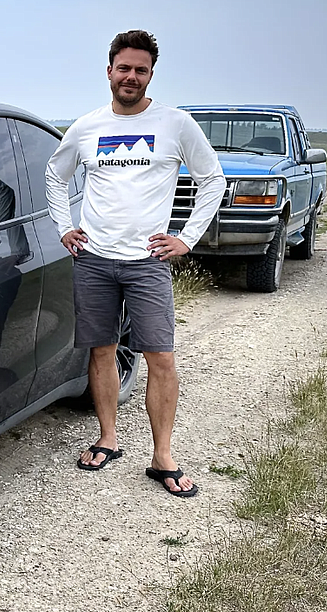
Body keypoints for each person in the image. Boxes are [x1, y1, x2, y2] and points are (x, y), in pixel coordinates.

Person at [44, 29, 225, 498]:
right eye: (123, 68)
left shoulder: (176, 124)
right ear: (109, 71)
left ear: (150, 75)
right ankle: (108, 438)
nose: (131, 77)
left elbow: (212, 179)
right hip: (94, 259)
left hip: (147, 263)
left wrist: (186, 239)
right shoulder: (86, 126)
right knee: (102, 350)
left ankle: (162, 456)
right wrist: (65, 226)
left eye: (140, 70)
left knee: (160, 357)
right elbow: (54, 174)